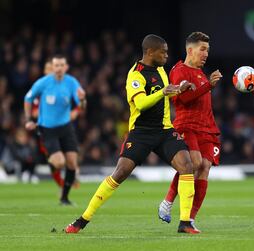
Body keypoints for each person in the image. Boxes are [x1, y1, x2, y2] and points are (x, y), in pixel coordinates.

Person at [64, 34, 200, 234]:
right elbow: (142, 103)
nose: (166, 56)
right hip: (141, 133)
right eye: (163, 52)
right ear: (150, 52)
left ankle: (185, 222)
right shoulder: (135, 75)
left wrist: (179, 89)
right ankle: (82, 220)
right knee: (119, 174)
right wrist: (163, 92)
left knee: (187, 165)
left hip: (164, 130)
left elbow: (164, 93)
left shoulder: (161, 70)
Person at [158, 31, 222, 232]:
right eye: (202, 49)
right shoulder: (179, 70)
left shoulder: (201, 74)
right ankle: (168, 201)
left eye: (208, 50)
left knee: (204, 168)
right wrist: (208, 86)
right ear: (190, 50)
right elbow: (183, 99)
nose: (206, 54)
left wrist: (206, 84)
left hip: (206, 128)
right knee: (193, 164)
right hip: (187, 125)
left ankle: (190, 220)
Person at [24, 55, 86, 205]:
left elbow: (81, 106)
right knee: (59, 163)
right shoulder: (43, 83)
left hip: (65, 127)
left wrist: (83, 100)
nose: (59, 68)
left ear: (66, 67)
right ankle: (52, 162)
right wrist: (29, 120)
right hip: (47, 129)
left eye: (61, 65)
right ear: (52, 67)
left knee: (72, 163)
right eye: (56, 65)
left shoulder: (71, 83)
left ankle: (64, 198)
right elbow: (28, 99)